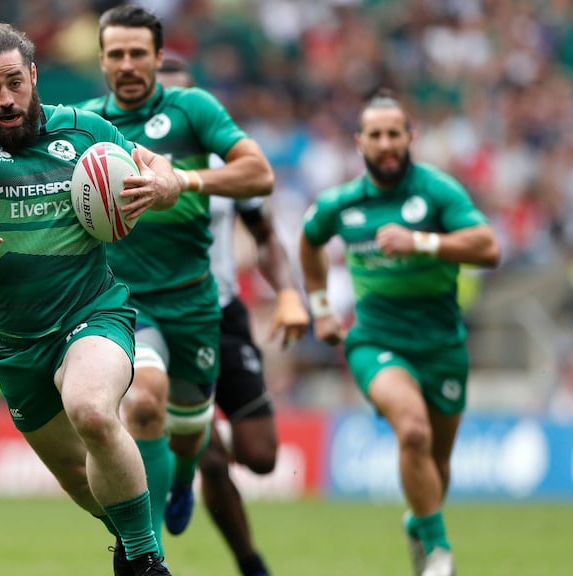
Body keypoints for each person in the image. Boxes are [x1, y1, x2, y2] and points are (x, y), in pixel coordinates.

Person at [0, 23, 181, 576]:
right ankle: (130, 539)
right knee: (76, 475)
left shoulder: (87, 130)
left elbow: (158, 169)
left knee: (93, 412)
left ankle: (147, 562)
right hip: (18, 344)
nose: (6, 99)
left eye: (14, 83)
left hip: (92, 312)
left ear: (33, 76)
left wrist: (163, 188)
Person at [75, 4, 275, 558]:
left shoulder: (192, 110)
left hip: (194, 302)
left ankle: (184, 476)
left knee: (190, 432)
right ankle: (146, 554)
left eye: (138, 53)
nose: (128, 64)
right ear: (101, 60)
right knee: (143, 403)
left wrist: (181, 181)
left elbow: (260, 173)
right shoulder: (85, 123)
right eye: (116, 54)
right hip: (124, 302)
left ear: (159, 58)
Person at [298, 89, 500, 576]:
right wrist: (322, 309)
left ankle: (419, 522)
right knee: (412, 429)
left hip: (442, 345)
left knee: (437, 460)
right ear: (359, 141)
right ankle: (438, 550)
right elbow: (309, 242)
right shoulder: (341, 204)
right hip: (375, 340)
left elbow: (488, 248)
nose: (386, 143)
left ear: (411, 137)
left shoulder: (437, 191)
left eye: (394, 133)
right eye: (376, 135)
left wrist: (422, 242)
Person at [156, 56, 310, 576]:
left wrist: (288, 292)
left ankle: (191, 446)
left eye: (181, 99)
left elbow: (266, 236)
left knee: (262, 455)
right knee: (212, 461)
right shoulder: (122, 166)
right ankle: (251, 563)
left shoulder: (220, 166)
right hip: (158, 317)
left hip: (221, 314)